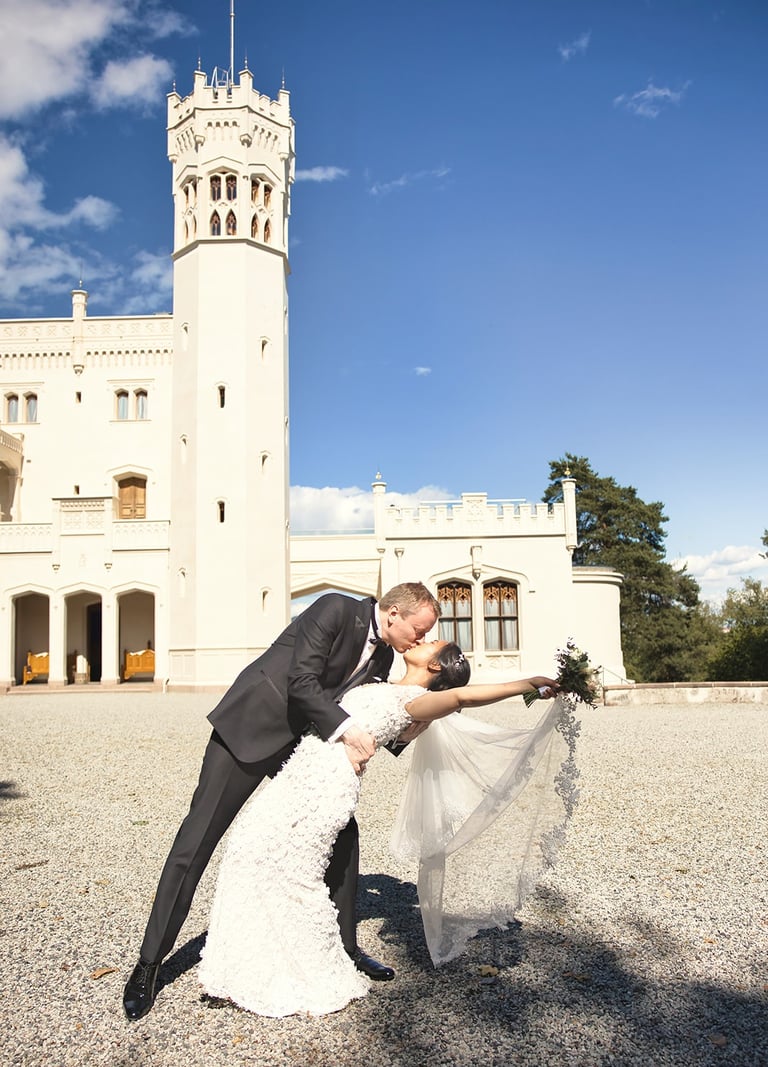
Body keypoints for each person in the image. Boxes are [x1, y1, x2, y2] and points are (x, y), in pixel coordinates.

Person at [122, 582, 440, 1021]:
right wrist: (347, 731)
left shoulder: (384, 655)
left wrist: (423, 722)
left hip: (305, 747)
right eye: (419, 630)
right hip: (251, 730)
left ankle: (344, 949)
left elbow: (369, 713)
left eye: (426, 635)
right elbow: (301, 681)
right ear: (393, 614)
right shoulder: (334, 609)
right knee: (196, 842)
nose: (420, 640)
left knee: (343, 834)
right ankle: (148, 964)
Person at [196, 641, 561, 1017]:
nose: (423, 639)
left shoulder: (416, 702)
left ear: (436, 666)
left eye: (432, 642)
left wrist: (527, 684)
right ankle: (250, 960)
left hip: (324, 789)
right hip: (298, 775)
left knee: (293, 874)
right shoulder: (383, 682)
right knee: (247, 851)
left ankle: (309, 972)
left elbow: (461, 698)